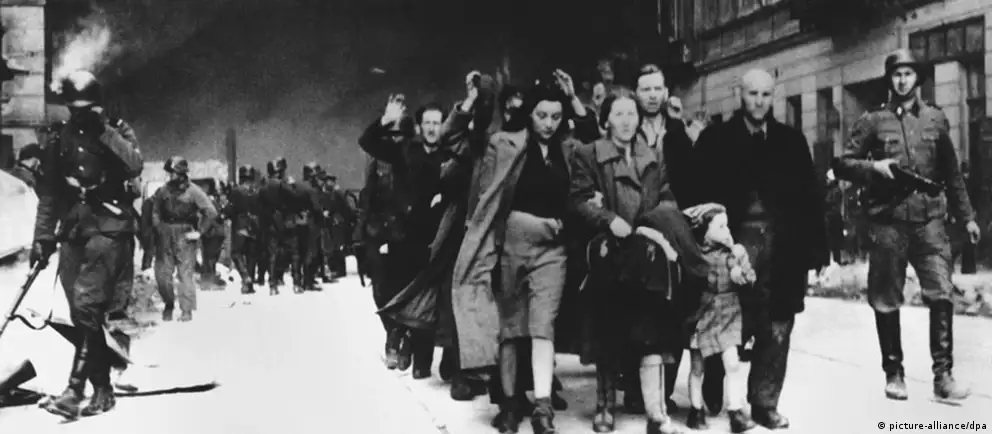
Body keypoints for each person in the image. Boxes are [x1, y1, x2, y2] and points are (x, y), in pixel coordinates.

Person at [833, 49, 978, 402]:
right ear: (890, 79)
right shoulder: (873, 121)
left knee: (942, 293)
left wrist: (968, 216)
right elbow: (843, 164)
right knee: (886, 298)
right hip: (889, 222)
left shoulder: (935, 119)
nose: (902, 80)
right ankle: (894, 373)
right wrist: (874, 168)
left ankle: (943, 376)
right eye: (896, 74)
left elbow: (951, 173)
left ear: (917, 78)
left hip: (929, 221)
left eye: (908, 74)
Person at [688, 68, 828, 429]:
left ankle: (764, 403)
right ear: (740, 94)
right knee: (724, 318)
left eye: (766, 94)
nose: (759, 101)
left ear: (773, 96)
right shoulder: (715, 140)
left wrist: (818, 251)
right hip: (730, 246)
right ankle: (715, 380)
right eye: (753, 94)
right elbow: (695, 195)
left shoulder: (791, 141)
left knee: (778, 324)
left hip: (782, 248)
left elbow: (811, 198)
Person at [30, 69, 143, 419]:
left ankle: (75, 389)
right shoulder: (58, 138)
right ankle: (103, 388)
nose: (80, 114)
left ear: (97, 105)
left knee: (86, 302)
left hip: (110, 227)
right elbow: (50, 193)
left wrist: (104, 131)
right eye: (75, 108)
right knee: (80, 313)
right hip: (75, 229)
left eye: (87, 108)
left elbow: (134, 165)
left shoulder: (116, 131)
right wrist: (42, 237)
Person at [683, 205, 757, 433]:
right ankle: (696, 410)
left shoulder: (736, 253)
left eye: (727, 226)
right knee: (697, 366)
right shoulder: (696, 254)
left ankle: (735, 411)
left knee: (732, 362)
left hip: (728, 312)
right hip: (703, 313)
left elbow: (751, 278)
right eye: (721, 226)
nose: (727, 231)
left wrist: (742, 274)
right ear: (705, 230)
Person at [151, 156, 218, 322]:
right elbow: (155, 211)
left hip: (185, 233)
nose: (170, 176)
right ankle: (168, 303)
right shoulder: (163, 191)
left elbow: (211, 212)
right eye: (169, 173)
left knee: (185, 274)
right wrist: (158, 228)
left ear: (181, 174)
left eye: (173, 173)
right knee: (162, 274)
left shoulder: (194, 191)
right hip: (166, 233)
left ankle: (186, 310)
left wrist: (200, 232)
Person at [225, 164, 263, 294]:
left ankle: (245, 276)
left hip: (240, 224)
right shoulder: (257, 191)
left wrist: (224, 214)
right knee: (251, 255)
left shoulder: (236, 191)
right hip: (255, 224)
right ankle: (248, 286)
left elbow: (230, 209)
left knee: (236, 253)